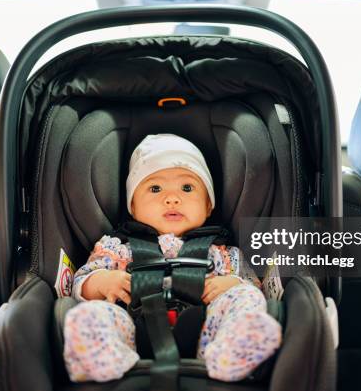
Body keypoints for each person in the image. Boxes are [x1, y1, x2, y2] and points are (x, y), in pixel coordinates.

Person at [63, 134, 281, 383]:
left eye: (187, 188)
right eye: (155, 188)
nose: (172, 198)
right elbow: (79, 283)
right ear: (132, 206)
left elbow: (255, 288)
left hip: (207, 332)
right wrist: (101, 282)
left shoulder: (224, 253)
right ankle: (102, 359)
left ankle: (233, 352)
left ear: (208, 205)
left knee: (246, 298)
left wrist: (233, 284)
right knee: (92, 314)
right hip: (132, 328)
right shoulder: (117, 249)